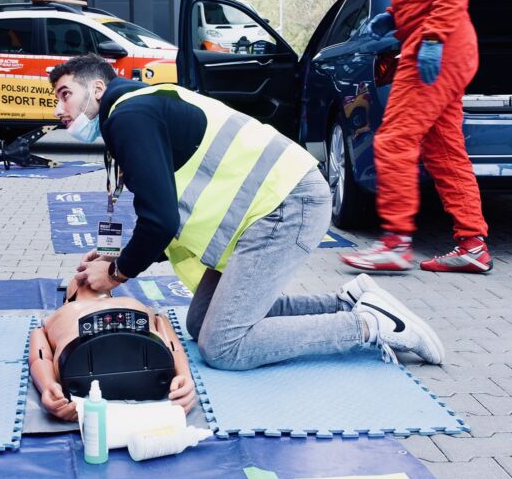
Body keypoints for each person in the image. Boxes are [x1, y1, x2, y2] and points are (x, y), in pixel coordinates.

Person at [49, 54, 446, 371]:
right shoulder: (137, 108)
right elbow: (163, 215)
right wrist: (119, 259)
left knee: (224, 347)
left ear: (97, 88)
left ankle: (371, 325)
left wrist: (117, 273)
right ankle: (348, 301)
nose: (57, 109)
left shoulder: (128, 116)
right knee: (201, 322)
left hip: (287, 205)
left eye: (65, 94)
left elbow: (161, 220)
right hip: (264, 212)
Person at [342, 0, 491, 274]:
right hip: (440, 46)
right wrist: (392, 17)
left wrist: (432, 39)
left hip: (437, 47)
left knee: (393, 139)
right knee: (444, 150)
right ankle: (472, 245)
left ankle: (395, 243)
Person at [30, 278, 196, 421]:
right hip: (79, 355)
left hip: (87, 359)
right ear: (69, 297)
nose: (86, 277)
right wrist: (48, 386)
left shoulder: (131, 304)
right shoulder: (60, 313)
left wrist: (184, 376)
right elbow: (40, 355)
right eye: (79, 279)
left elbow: (172, 345)